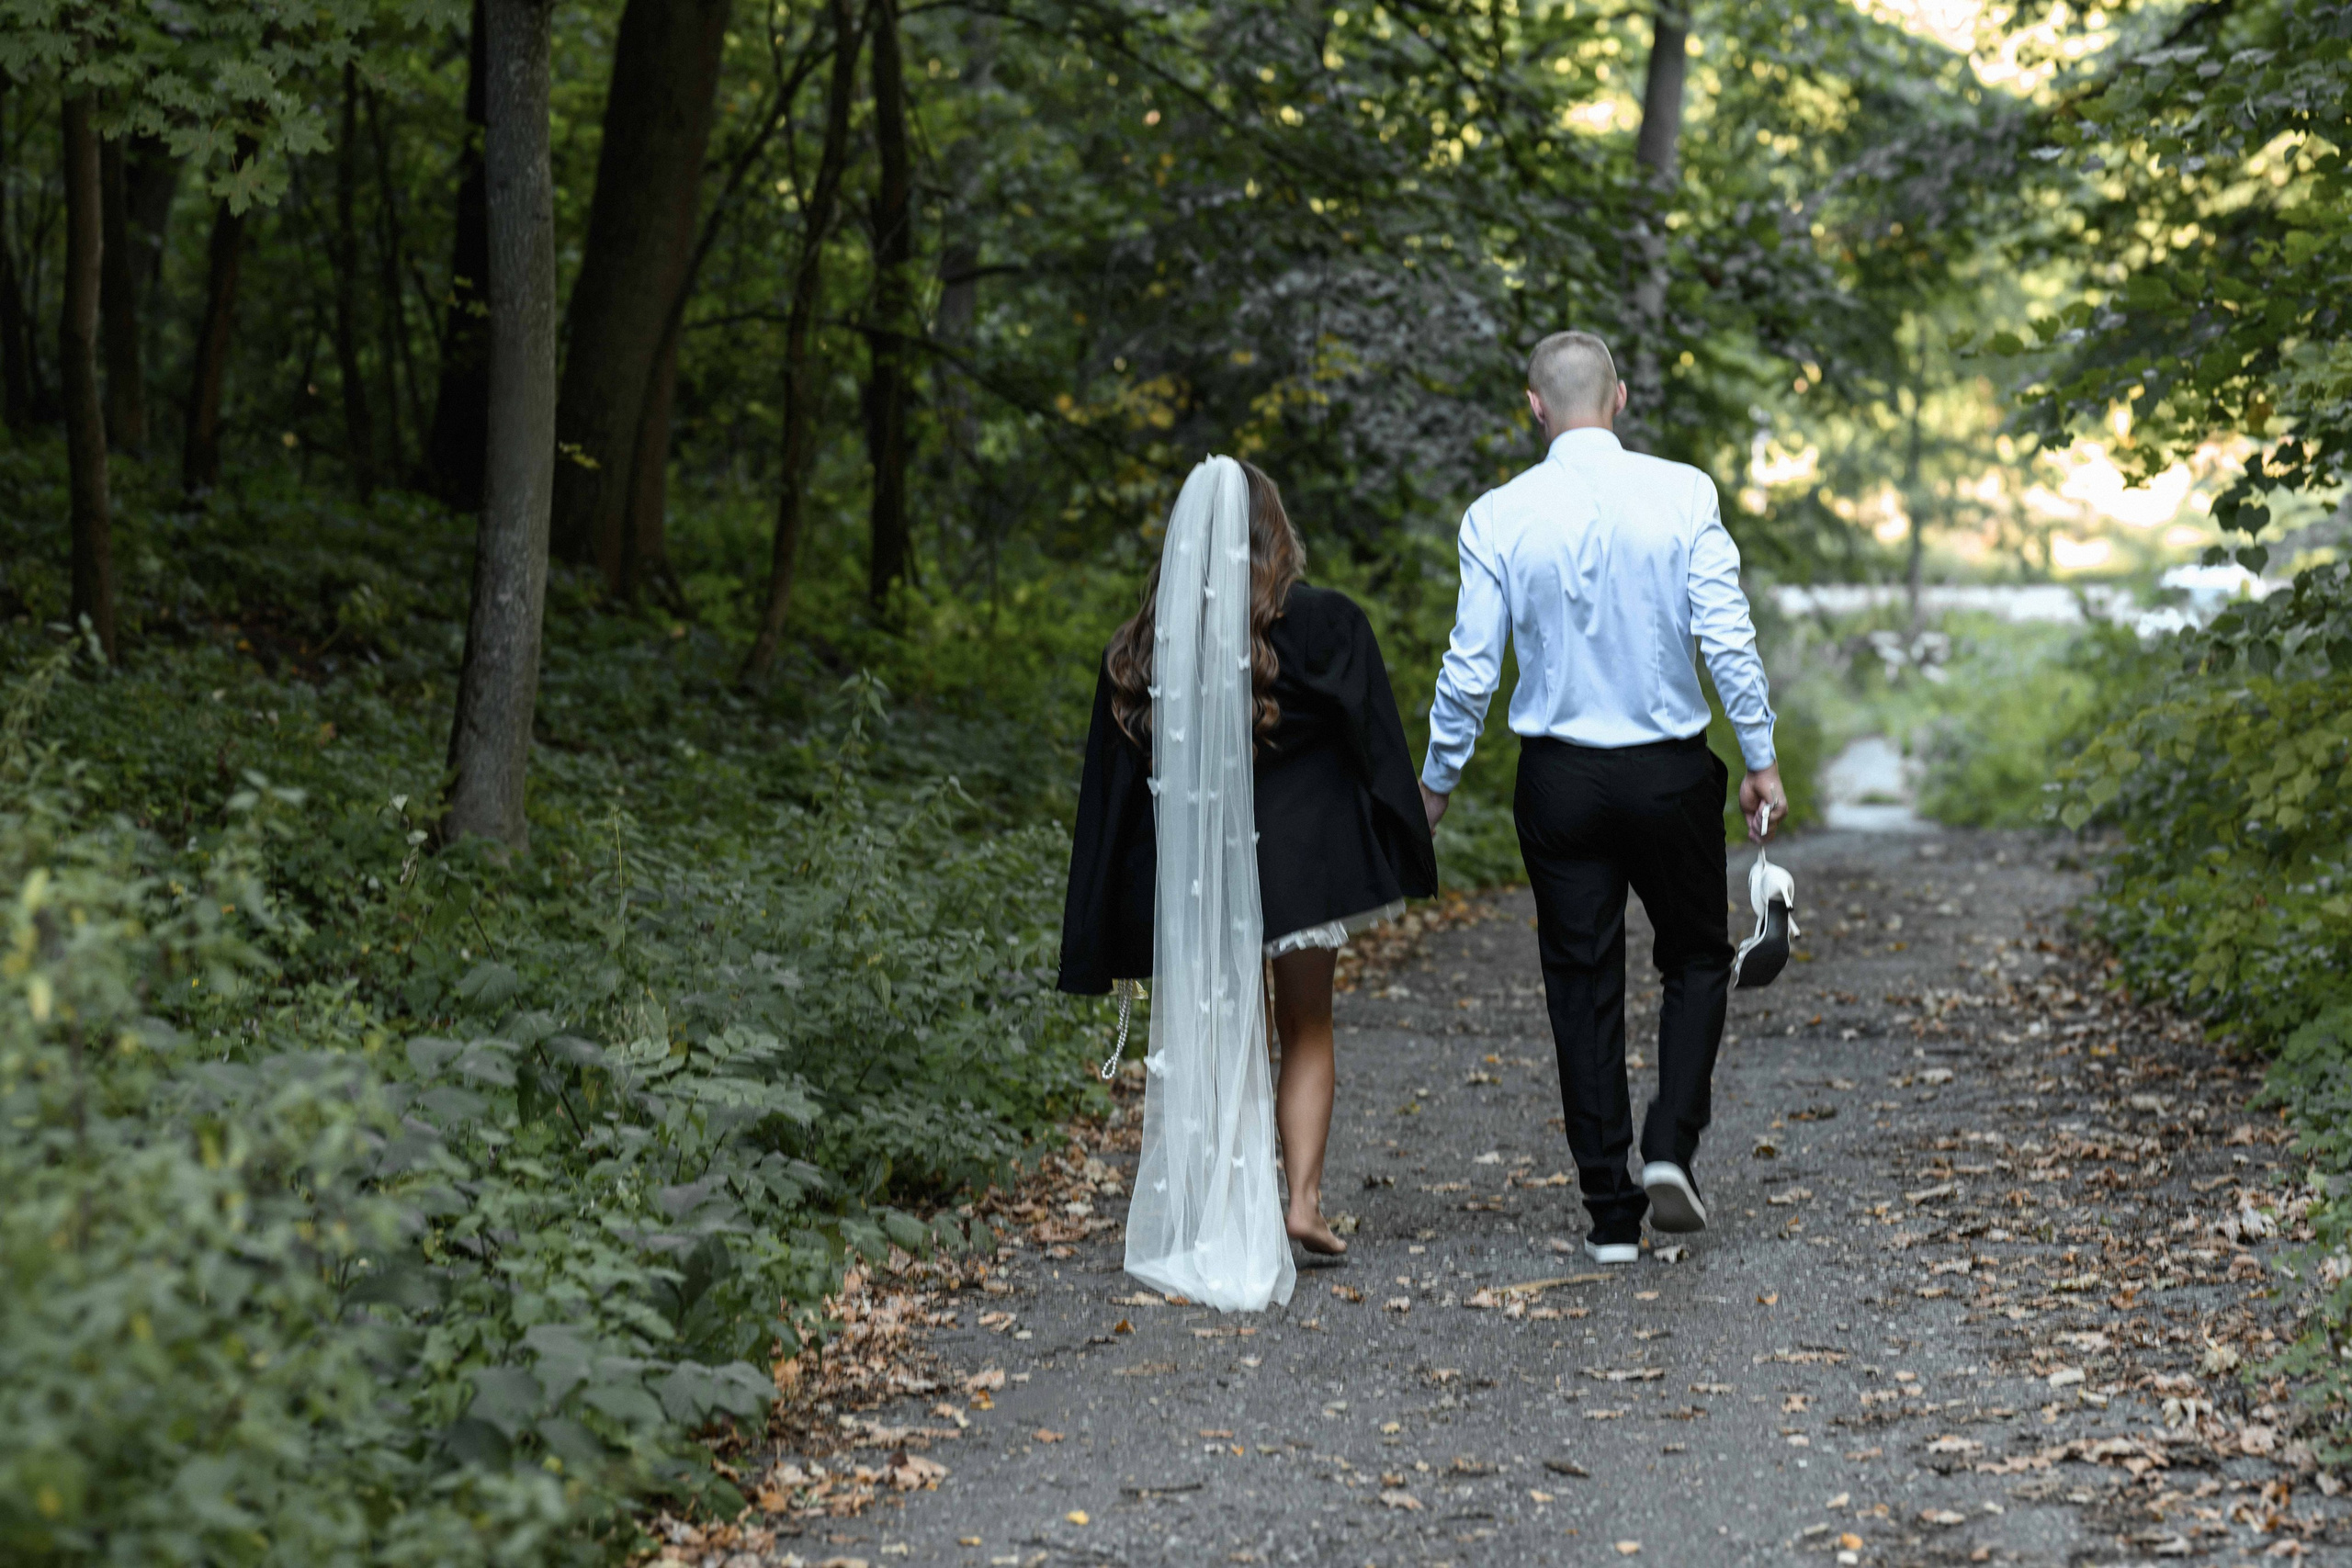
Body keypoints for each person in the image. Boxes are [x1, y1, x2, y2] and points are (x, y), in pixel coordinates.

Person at [1418, 331, 1785, 1265]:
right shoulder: (1682, 493)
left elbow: (1469, 670)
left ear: (1534, 408)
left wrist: (1436, 781)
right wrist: (1759, 755)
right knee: (1698, 956)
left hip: (1560, 780)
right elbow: (1726, 637)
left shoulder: (1497, 515)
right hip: (1667, 771)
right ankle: (1669, 1144)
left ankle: (1609, 1215)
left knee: (1579, 983)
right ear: (1617, 399)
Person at [1060, 455, 1436, 1308]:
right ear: (1277, 536)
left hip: (1193, 879)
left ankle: (1213, 1213)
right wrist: (1405, 835)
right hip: (1303, 870)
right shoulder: (1329, 623)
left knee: (1217, 1034)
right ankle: (1300, 1203)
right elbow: (1377, 743)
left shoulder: (1143, 647)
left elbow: (1109, 796)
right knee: (1306, 1023)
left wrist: (1105, 918)